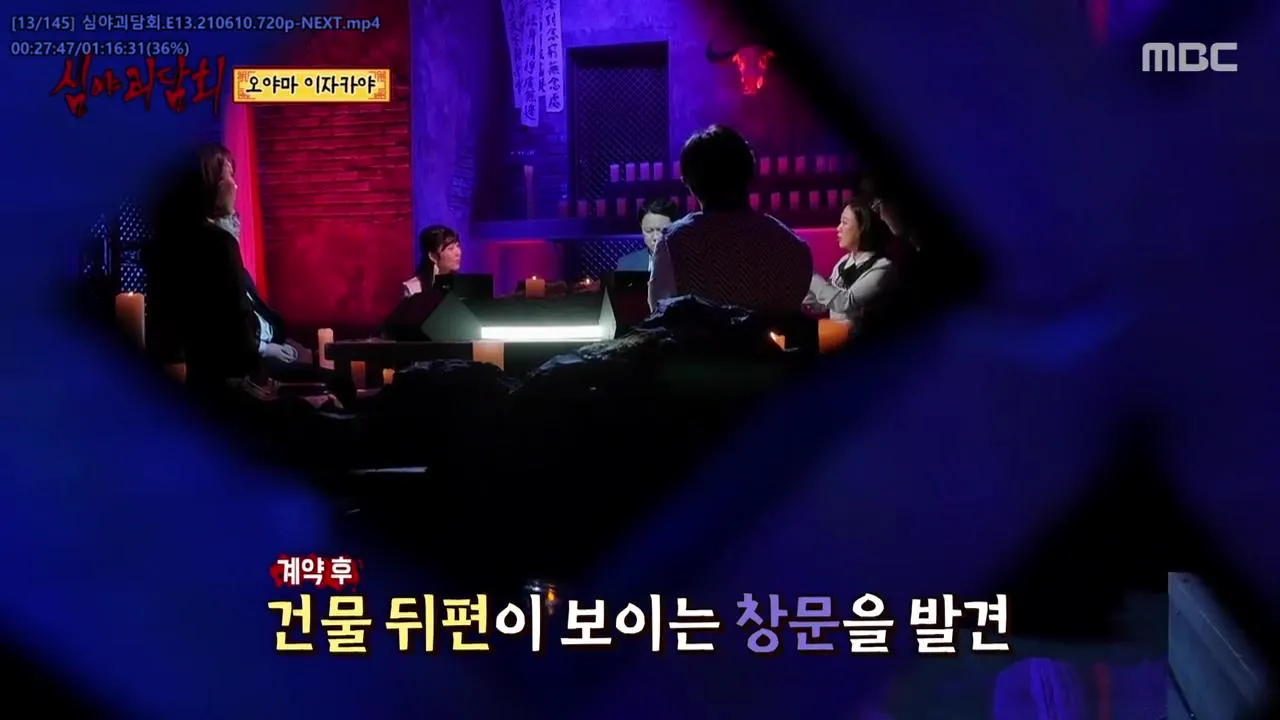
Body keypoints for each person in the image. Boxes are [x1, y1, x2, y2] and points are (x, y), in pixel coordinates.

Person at [146, 145, 312, 387]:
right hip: (243, 368)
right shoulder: (216, 243)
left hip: (262, 343)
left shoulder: (215, 239)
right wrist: (264, 349)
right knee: (333, 379)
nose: (235, 186)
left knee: (308, 354)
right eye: (228, 176)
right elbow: (234, 326)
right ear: (209, 185)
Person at [648, 125, 813, 314]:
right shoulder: (793, 247)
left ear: (688, 182)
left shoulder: (674, 242)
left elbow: (661, 314)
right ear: (750, 174)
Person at [805, 202, 897, 322]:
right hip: (837, 330)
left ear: (863, 228)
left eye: (844, 222)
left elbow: (845, 303)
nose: (838, 228)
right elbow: (825, 304)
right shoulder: (844, 262)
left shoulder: (882, 267)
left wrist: (811, 275)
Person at [617, 198, 680, 272]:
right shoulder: (627, 265)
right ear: (641, 228)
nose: (656, 237)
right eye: (649, 230)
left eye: (662, 231)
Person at [402, 225, 462, 297]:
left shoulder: (462, 285)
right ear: (433, 256)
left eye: (458, 246)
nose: (458, 253)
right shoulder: (414, 289)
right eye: (451, 248)